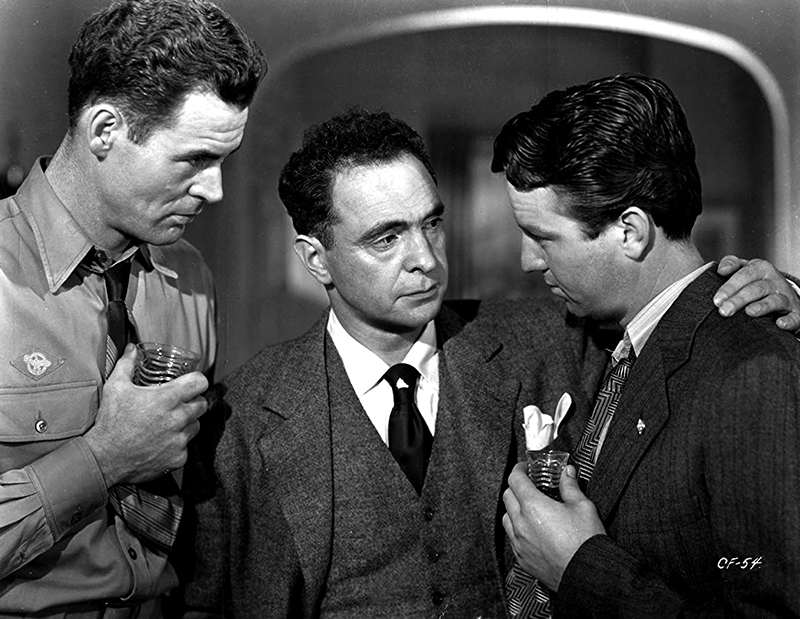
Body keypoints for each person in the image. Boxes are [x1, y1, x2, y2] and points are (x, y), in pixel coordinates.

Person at [179, 106, 797, 618]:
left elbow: (672, 315)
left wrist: (783, 293)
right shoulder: (241, 419)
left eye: (431, 224)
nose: (425, 259)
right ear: (317, 259)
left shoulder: (550, 339)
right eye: (386, 238)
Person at [496, 73, 800, 617]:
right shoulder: (611, 337)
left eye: (543, 237)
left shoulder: (752, 371)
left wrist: (581, 567)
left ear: (631, 232)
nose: (528, 261)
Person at [0, 0, 266, 617]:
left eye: (223, 161)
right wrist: (103, 458)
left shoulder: (191, 278)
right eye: (194, 159)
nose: (215, 190)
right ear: (104, 131)